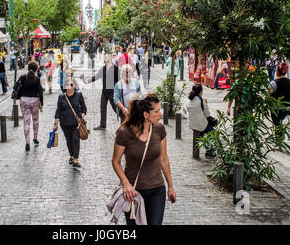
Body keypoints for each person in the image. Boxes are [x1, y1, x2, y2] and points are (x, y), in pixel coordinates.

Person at [112, 93, 177, 225]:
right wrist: (125, 184)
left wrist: (170, 186)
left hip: (157, 190)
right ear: (145, 115)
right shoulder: (124, 132)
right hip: (133, 192)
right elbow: (115, 161)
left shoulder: (159, 129)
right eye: (157, 111)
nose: (160, 114)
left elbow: (163, 159)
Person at [54, 75, 87, 168]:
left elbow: (84, 109)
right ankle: (71, 156)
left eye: (71, 84)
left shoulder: (79, 95)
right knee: (69, 140)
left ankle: (76, 159)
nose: (69, 86)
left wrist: (81, 117)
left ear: (74, 86)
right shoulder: (61, 97)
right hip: (65, 123)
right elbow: (58, 111)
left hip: (76, 124)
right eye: (67, 84)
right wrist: (55, 123)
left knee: (76, 139)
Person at [83, 53, 120, 130]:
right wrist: (88, 81)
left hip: (112, 92)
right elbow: (97, 76)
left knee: (116, 108)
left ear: (110, 58)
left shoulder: (115, 68)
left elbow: (119, 81)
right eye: (104, 57)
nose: (104, 58)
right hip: (104, 92)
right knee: (102, 108)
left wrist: (119, 92)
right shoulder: (103, 68)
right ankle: (102, 125)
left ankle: (125, 120)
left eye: (106, 57)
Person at [18, 61, 44, 151]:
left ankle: (27, 142)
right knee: (35, 120)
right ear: (36, 69)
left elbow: (16, 87)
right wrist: (42, 104)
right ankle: (35, 138)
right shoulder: (37, 79)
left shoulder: (22, 77)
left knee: (26, 121)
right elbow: (40, 92)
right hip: (34, 101)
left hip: (24, 100)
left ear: (28, 68)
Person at [186, 84, 215, 157]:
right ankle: (209, 150)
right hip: (201, 125)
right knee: (212, 132)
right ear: (200, 92)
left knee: (202, 134)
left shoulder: (190, 101)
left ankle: (207, 148)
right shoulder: (201, 101)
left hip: (192, 125)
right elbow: (207, 114)